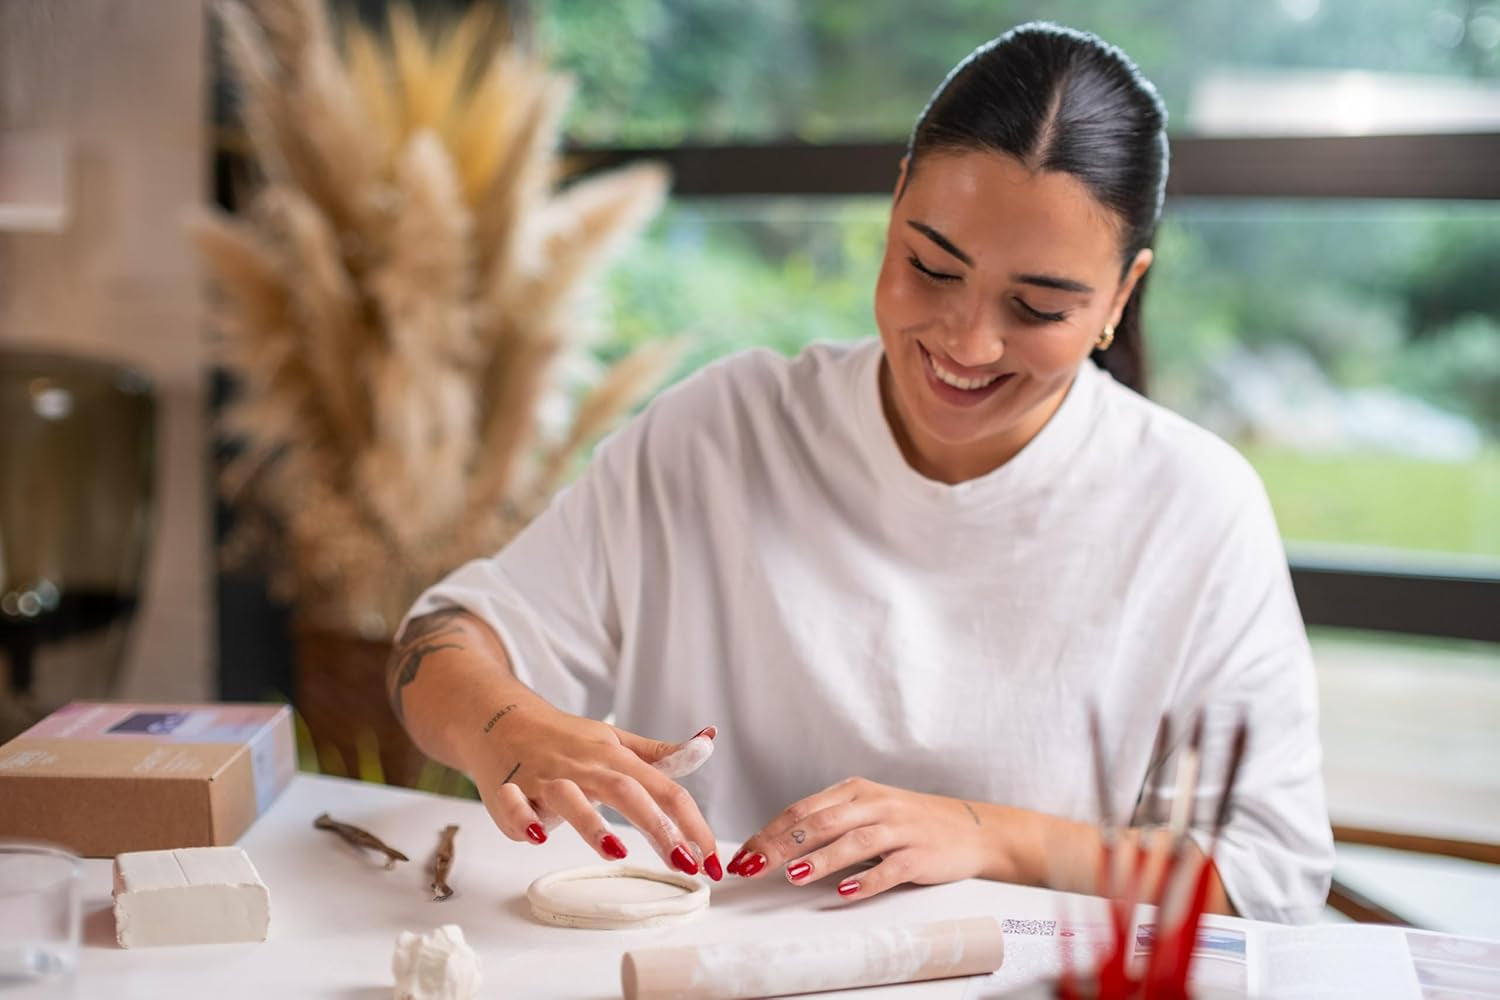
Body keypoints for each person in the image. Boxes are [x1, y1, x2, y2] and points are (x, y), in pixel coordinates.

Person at [387, 22, 1334, 923]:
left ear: (1121, 294)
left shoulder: (1194, 506)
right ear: (896, 203)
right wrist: (508, 727)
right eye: (932, 268)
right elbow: (441, 643)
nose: (968, 341)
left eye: (1038, 308)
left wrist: (988, 837)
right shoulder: (723, 432)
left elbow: (1269, 873)